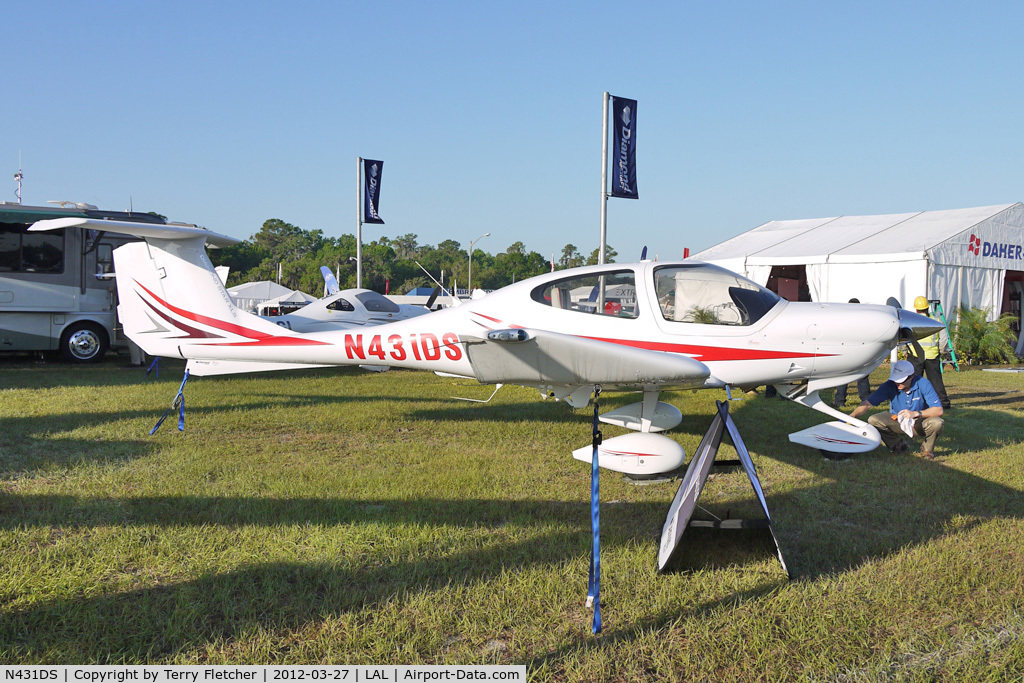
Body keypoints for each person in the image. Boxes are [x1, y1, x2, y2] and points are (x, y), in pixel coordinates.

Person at [850, 360, 944, 459]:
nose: (897, 383)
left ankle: (927, 450)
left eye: (901, 380)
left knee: (937, 423)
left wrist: (916, 413)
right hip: (898, 421)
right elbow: (868, 404)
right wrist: (851, 416)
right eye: (896, 380)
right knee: (873, 419)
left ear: (911, 376)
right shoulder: (889, 385)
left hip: (919, 422)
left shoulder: (923, 383)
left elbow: (938, 410)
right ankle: (898, 445)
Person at [906, 296, 952, 409]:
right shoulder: (936, 320)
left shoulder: (911, 321)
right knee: (936, 381)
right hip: (932, 355)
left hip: (915, 355)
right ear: (928, 307)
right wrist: (940, 351)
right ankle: (943, 403)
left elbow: (904, 337)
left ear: (916, 309)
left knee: (914, 381)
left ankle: (913, 402)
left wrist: (905, 351)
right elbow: (944, 338)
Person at [832, 298, 871, 407]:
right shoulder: (864, 320)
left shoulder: (843, 319)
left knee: (843, 376)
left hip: (845, 351)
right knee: (862, 376)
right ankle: (866, 400)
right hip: (860, 351)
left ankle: (840, 401)